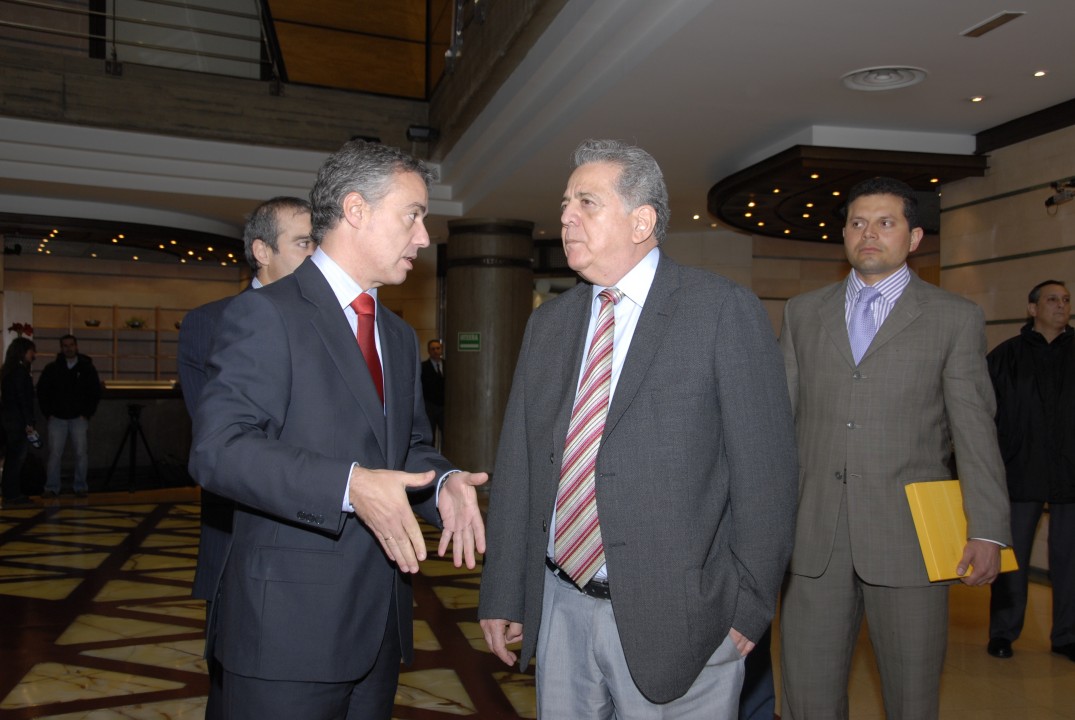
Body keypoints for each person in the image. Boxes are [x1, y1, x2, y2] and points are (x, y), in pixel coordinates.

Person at [478, 139, 799, 718]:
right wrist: (504, 589)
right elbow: (521, 464)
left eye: (587, 202)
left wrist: (749, 609)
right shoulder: (549, 325)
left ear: (641, 221)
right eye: (565, 204)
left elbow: (767, 474)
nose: (566, 217)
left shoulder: (720, 310)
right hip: (559, 606)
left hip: (683, 621)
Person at [188, 139, 487, 720]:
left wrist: (442, 481)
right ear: (356, 209)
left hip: (377, 629)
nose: (424, 237)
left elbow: (405, 447)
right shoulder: (267, 313)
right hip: (285, 636)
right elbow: (219, 450)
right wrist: (348, 485)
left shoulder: (395, 334)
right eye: (412, 215)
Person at [778, 176, 1011, 720]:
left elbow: (975, 431)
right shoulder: (802, 312)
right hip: (813, 538)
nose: (869, 234)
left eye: (886, 223)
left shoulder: (954, 317)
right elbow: (779, 424)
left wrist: (987, 530)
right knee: (807, 695)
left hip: (911, 541)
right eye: (857, 223)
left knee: (912, 697)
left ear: (914, 237)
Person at [177, 195, 313, 719]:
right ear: (262, 250)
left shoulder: (337, 319)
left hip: (324, 530)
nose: (316, 255)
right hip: (240, 527)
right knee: (235, 680)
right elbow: (221, 443)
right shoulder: (209, 322)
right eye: (304, 243)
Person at [986, 279, 1075, 661]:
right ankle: (1003, 633)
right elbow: (984, 413)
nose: (1061, 305)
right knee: (1012, 558)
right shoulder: (1006, 356)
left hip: (1071, 473)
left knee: (1069, 560)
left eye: (1066, 299)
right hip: (1020, 471)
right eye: (1052, 299)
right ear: (1033, 308)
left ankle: (1067, 636)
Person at [35, 334, 102, 498]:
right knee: (54, 454)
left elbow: (95, 391)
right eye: (65, 345)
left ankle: (80, 487)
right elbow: (42, 391)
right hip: (57, 418)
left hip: (79, 418)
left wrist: (86, 413)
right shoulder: (52, 368)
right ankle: (52, 487)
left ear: (76, 346)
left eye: (71, 345)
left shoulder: (87, 368)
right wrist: (48, 413)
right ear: (61, 348)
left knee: (81, 453)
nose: (68, 348)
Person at [1, 337, 38, 508]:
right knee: (16, 459)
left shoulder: (9, 371)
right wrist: (29, 422)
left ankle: (11, 493)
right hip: (17, 421)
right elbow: (23, 399)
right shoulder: (20, 372)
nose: (33, 354)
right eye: (31, 351)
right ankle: (12, 494)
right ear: (24, 352)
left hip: (9, 420)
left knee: (12, 459)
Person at [420, 338, 445, 445]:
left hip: (445, 406)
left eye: (438, 348)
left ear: (441, 350)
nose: (436, 351)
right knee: (430, 436)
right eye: (433, 349)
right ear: (429, 351)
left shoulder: (449, 365)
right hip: (429, 406)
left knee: (448, 434)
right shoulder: (423, 367)